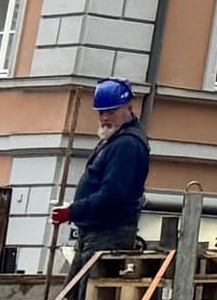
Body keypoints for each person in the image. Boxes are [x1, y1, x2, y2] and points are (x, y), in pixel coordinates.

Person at [61, 78, 151, 262]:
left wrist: (73, 210)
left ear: (128, 108)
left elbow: (112, 195)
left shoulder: (127, 144)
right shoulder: (115, 140)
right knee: (77, 289)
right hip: (98, 232)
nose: (104, 117)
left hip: (108, 235)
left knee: (85, 289)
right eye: (101, 112)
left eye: (111, 111)